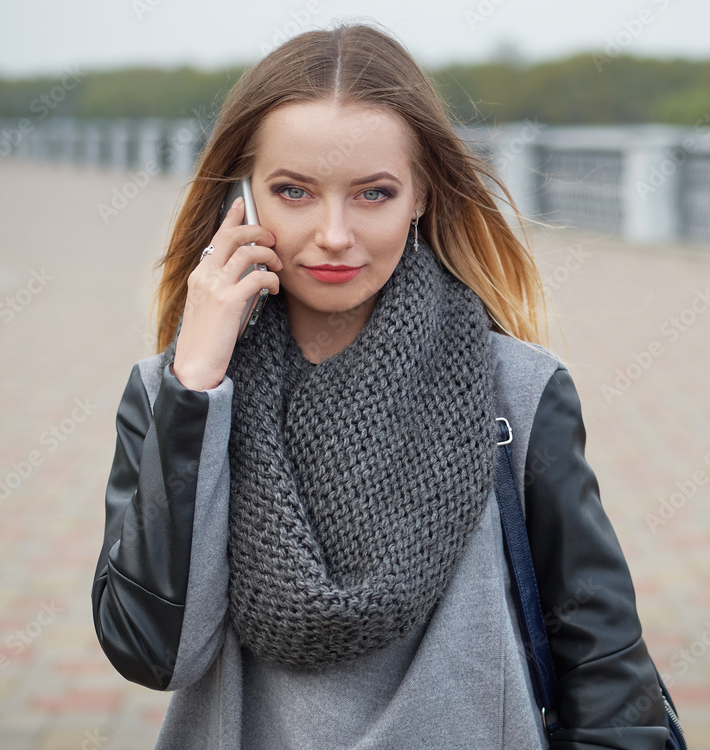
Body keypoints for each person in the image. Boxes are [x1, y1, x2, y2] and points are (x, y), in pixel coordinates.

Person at [91, 22, 670, 750]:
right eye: (294, 191)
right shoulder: (171, 397)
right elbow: (152, 653)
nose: (334, 233)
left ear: (422, 194)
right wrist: (196, 389)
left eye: (373, 194)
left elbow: (609, 675)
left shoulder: (519, 396)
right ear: (245, 195)